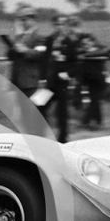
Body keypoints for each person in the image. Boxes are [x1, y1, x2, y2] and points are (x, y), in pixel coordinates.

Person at [42, 15, 78, 143]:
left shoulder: (70, 42)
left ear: (66, 26)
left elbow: (75, 63)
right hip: (49, 81)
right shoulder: (49, 40)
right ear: (54, 25)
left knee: (61, 110)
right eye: (57, 24)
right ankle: (43, 134)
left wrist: (67, 73)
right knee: (40, 104)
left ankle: (63, 137)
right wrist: (42, 78)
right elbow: (45, 60)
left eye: (63, 24)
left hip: (61, 82)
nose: (60, 27)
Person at [78, 34, 107, 129]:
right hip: (89, 81)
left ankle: (86, 121)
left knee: (94, 101)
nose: (85, 45)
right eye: (83, 43)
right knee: (95, 101)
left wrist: (86, 54)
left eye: (87, 42)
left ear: (92, 42)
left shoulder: (98, 51)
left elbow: (104, 52)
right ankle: (98, 121)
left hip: (97, 81)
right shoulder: (82, 52)